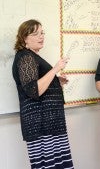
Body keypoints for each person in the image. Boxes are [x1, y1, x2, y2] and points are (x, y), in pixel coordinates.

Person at [12, 19, 74, 168]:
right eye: (36, 34)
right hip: (41, 125)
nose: (41, 37)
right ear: (24, 38)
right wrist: (55, 69)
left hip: (50, 123)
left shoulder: (33, 56)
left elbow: (38, 83)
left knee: (58, 164)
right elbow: (34, 90)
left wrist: (56, 81)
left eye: (42, 33)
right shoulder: (25, 57)